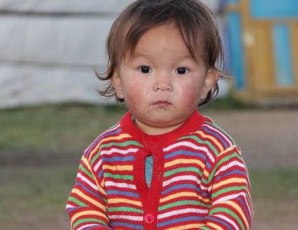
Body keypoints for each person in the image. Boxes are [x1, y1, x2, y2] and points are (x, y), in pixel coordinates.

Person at [65, 0, 252, 229]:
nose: (162, 84)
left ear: (206, 81)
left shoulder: (217, 151)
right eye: (145, 69)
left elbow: (232, 213)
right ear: (118, 81)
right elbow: (85, 210)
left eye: (181, 70)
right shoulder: (102, 154)